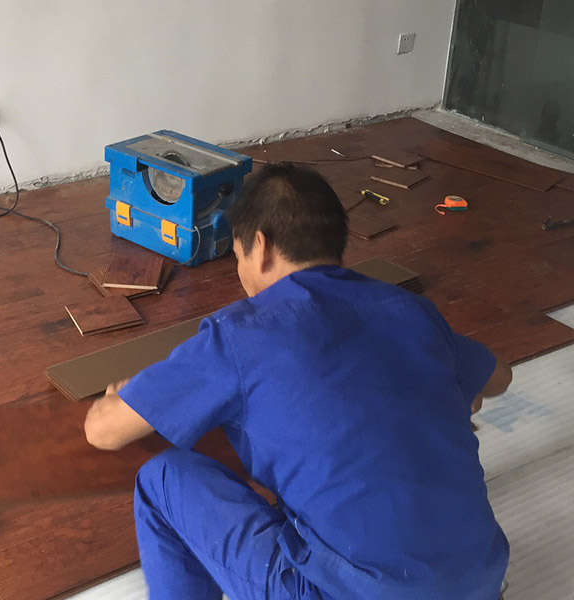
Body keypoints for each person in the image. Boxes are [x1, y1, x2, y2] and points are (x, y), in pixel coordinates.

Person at [84, 163, 512, 600]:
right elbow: (500, 377)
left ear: (261, 247)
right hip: (481, 581)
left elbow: (103, 432)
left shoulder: (241, 333)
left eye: (238, 257)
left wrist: (118, 398)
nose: (241, 272)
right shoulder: (410, 310)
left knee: (161, 478)